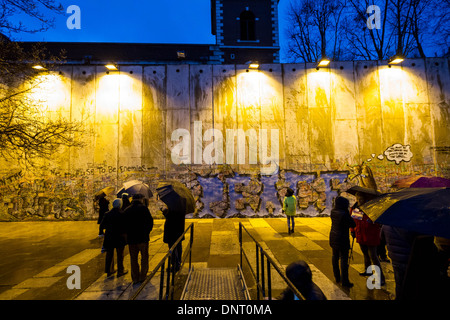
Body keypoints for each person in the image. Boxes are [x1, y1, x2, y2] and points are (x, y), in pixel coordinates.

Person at [351, 191, 385, 285]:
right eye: (357, 199)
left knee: (373, 256)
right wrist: (353, 231)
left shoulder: (372, 209)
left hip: (371, 236)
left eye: (360, 199)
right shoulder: (357, 208)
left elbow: (377, 223)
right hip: (361, 234)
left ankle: (381, 278)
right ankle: (368, 270)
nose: (358, 201)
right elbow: (355, 221)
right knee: (365, 254)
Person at [124, 193, 154, 284]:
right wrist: (147, 232)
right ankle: (143, 276)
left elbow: (123, 225)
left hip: (131, 239)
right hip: (143, 238)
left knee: (133, 258)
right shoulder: (144, 209)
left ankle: (135, 277)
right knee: (144, 257)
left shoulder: (127, 210)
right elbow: (150, 222)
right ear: (141, 199)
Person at [159, 185, 187, 272]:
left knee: (172, 247)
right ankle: (178, 262)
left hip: (172, 230)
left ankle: (175, 265)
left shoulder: (173, 204)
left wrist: (164, 212)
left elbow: (171, 217)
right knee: (178, 245)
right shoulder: (182, 202)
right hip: (179, 229)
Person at [329, 196, 355, 287]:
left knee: (335, 257)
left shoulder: (333, 211)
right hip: (342, 238)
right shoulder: (344, 214)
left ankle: (337, 277)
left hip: (333, 236)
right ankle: (345, 281)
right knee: (344, 259)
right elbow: (353, 224)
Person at [100, 198, 128, 277]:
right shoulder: (122, 214)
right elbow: (125, 226)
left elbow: (102, 225)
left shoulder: (107, 214)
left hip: (109, 236)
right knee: (120, 255)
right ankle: (120, 271)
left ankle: (109, 270)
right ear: (120, 205)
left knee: (109, 254)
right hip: (120, 237)